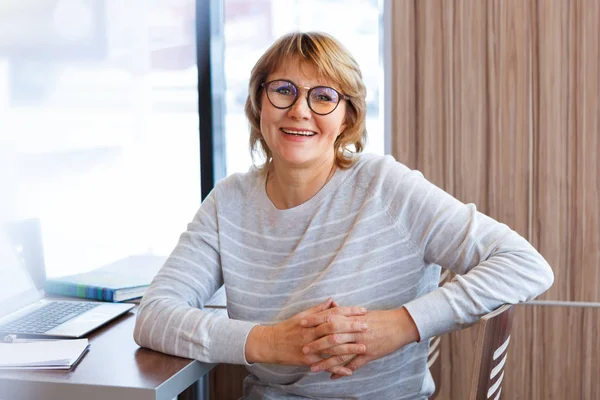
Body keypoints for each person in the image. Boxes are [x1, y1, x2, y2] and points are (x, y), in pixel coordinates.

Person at [134, 31, 554, 399]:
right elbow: (154, 315)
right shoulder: (228, 203)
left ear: (346, 117)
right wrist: (271, 342)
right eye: (283, 90)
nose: (299, 110)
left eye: (323, 97)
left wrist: (401, 325)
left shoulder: (385, 187)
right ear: (258, 103)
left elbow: (525, 265)